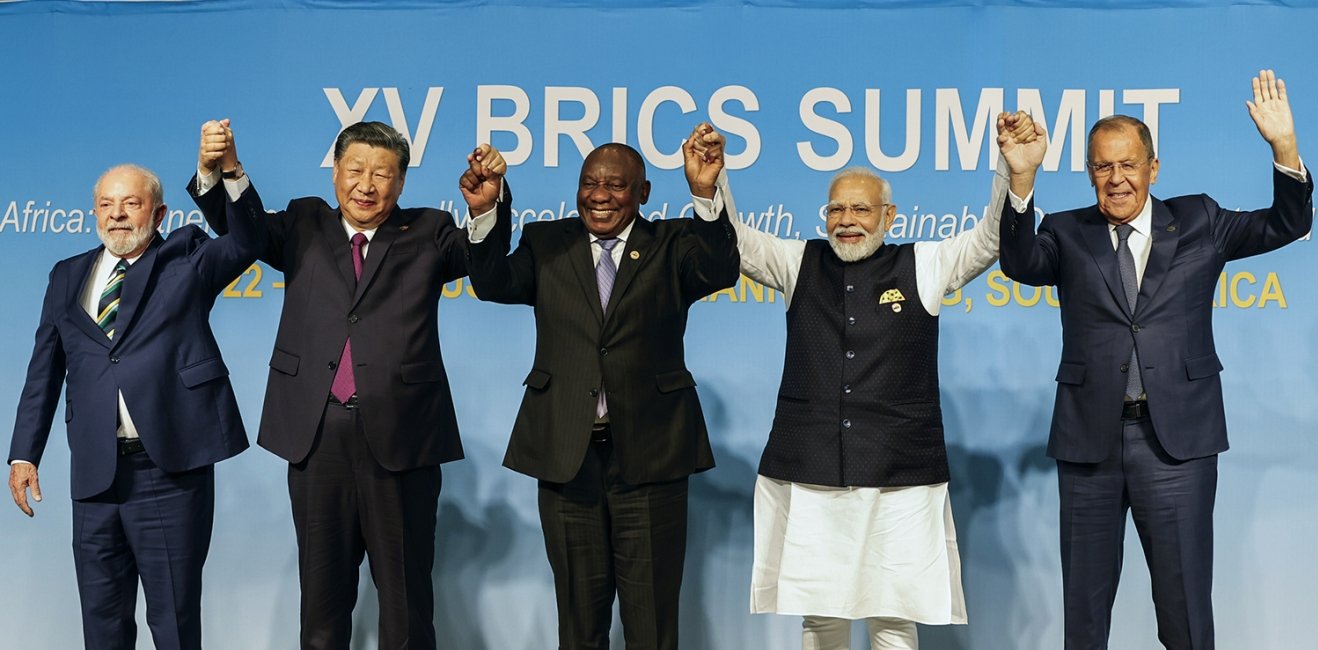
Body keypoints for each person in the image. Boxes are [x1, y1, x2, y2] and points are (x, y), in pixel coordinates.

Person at [688, 114, 1035, 650]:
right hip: (812, 470)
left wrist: (1014, 175)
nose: (846, 220)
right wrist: (712, 187)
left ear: (889, 216)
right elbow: (734, 241)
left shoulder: (926, 263)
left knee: (893, 619)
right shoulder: (796, 260)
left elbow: (991, 239)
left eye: (860, 209)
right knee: (821, 617)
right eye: (836, 209)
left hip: (899, 476)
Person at [998, 70, 1312, 650]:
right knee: (1084, 617)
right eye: (1101, 167)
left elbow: (1288, 224)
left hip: (1178, 444)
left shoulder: (1199, 220)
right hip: (1090, 443)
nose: (1115, 179)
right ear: (1090, 172)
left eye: (1127, 165)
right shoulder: (1066, 231)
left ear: (1152, 168)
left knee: (1185, 610)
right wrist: (1022, 179)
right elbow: (1018, 263)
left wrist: (1284, 149)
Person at [188, 121, 501, 649]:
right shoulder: (305, 222)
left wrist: (485, 209)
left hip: (402, 440)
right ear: (335, 171)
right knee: (322, 606)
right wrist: (228, 171)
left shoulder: (428, 229)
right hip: (316, 435)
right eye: (355, 169)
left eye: (383, 174)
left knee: (406, 605)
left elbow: (485, 267)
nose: (367, 184)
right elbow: (241, 231)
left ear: (401, 183)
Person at [459, 137, 739, 649]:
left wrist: (705, 190)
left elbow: (720, 270)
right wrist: (485, 211)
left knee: (651, 624)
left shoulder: (672, 243)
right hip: (569, 456)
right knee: (579, 623)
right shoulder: (547, 243)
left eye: (615, 184)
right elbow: (493, 282)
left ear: (644, 192)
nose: (600, 195)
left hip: (651, 458)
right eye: (590, 183)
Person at [7, 121, 259, 650]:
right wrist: (24, 453)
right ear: (94, 211)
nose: (117, 214)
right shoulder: (66, 275)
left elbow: (248, 240)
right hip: (96, 473)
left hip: (167, 469)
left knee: (172, 621)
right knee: (102, 622)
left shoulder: (186, 258)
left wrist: (227, 170)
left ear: (159, 214)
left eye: (131, 203)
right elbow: (43, 370)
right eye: (106, 204)